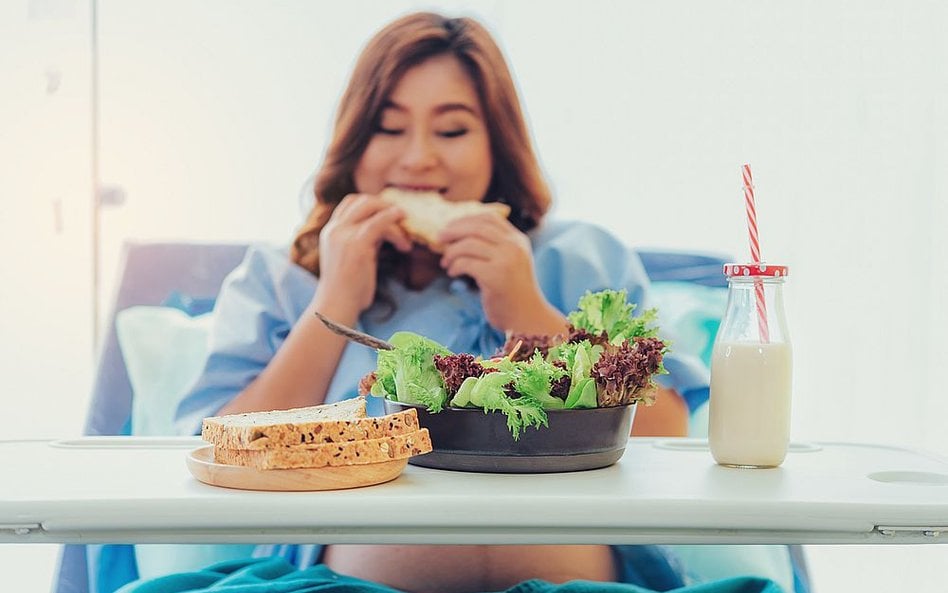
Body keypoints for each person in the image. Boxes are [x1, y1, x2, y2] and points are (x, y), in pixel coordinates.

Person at [173, 11, 719, 593]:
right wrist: (333, 303)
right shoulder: (281, 276)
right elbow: (222, 448)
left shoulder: (581, 257)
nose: (418, 159)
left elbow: (669, 431)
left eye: (453, 131)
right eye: (388, 128)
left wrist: (529, 313)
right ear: (354, 143)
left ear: (496, 144)